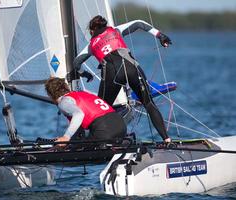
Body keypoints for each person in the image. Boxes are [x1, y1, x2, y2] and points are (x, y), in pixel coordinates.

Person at [73, 15, 172, 143]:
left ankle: (95, 143)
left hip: (112, 74)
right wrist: (160, 35)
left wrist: (85, 74)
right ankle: (167, 139)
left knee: (100, 112)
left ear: (92, 30)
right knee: (148, 103)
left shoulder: (91, 45)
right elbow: (139, 22)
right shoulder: (115, 30)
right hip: (131, 68)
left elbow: (76, 63)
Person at [45, 77, 127, 146]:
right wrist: (66, 142)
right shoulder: (82, 94)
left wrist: (66, 137)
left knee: (79, 148)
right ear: (66, 87)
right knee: (79, 144)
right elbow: (79, 129)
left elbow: (79, 114)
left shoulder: (64, 102)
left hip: (104, 129)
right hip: (121, 126)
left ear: (50, 95)